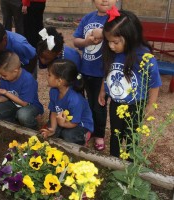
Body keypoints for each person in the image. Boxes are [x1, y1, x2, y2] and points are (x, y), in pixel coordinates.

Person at [98, 9, 162, 158]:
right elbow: (107, 73)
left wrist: (151, 105)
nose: (111, 46)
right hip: (115, 103)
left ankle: (130, 164)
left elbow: (155, 83)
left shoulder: (144, 57)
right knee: (115, 133)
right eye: (108, 41)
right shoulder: (111, 54)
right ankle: (113, 162)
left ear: (131, 36)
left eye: (115, 42)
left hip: (135, 106)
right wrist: (103, 90)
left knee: (132, 136)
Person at [73, 0, 118, 151]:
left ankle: (99, 134)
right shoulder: (87, 18)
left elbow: (120, 34)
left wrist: (102, 32)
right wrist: (86, 41)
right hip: (86, 70)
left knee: (99, 105)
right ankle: (89, 129)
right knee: (87, 104)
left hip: (103, 73)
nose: (105, 0)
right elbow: (76, 41)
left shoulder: (115, 19)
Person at [0, 51, 44, 130]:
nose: (2, 77)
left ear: (15, 71)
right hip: (14, 104)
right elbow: (5, 97)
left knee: (23, 115)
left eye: (4, 75)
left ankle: (33, 127)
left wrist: (5, 92)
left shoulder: (28, 80)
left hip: (31, 106)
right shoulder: (5, 78)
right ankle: (15, 124)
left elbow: (24, 103)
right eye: (0, 75)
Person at [40, 59, 93, 145]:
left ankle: (84, 137)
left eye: (49, 75)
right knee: (51, 131)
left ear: (59, 81)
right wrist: (53, 128)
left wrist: (62, 124)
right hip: (64, 120)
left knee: (67, 135)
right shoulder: (54, 91)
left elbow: (74, 123)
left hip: (79, 124)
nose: (47, 77)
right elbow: (53, 111)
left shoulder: (75, 100)